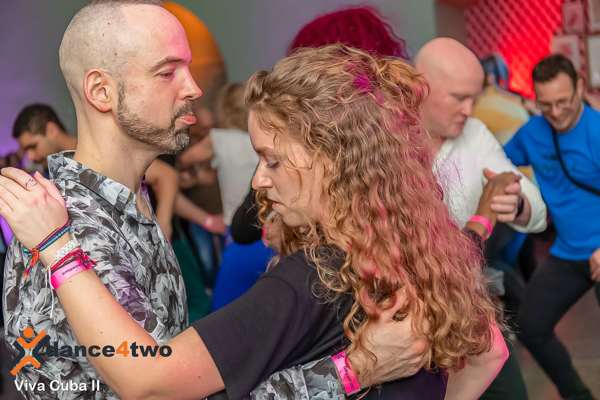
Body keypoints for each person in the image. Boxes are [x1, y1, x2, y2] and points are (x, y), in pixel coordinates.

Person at [0, 44, 508, 399]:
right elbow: (491, 351)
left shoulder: (312, 280)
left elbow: (150, 381)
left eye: (272, 160)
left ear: (333, 161)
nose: (259, 181)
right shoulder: (411, 250)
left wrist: (58, 247)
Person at [505, 54, 600, 400]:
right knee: (531, 326)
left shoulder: (596, 131)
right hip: (568, 253)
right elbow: (495, 160)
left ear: (580, 87)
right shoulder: (533, 133)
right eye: (546, 105)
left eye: (563, 102)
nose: (556, 113)